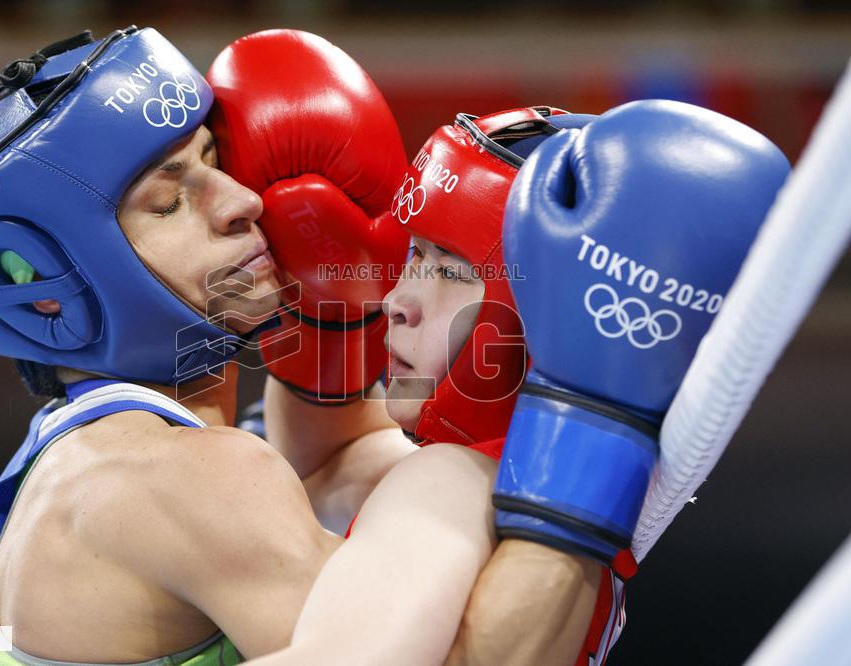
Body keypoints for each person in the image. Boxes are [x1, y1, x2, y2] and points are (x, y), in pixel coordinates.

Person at [0, 26, 411, 665]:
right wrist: (566, 411)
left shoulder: (90, 453)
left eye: (216, 162)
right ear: (49, 289)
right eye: (168, 202)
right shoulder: (174, 475)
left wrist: (340, 318)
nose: (245, 201)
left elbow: (338, 455)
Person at [221, 98, 789, 665]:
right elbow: (325, 462)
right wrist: (325, 326)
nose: (396, 302)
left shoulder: (450, 480)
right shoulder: (570, 517)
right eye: (414, 256)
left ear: (540, 315)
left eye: (449, 269)